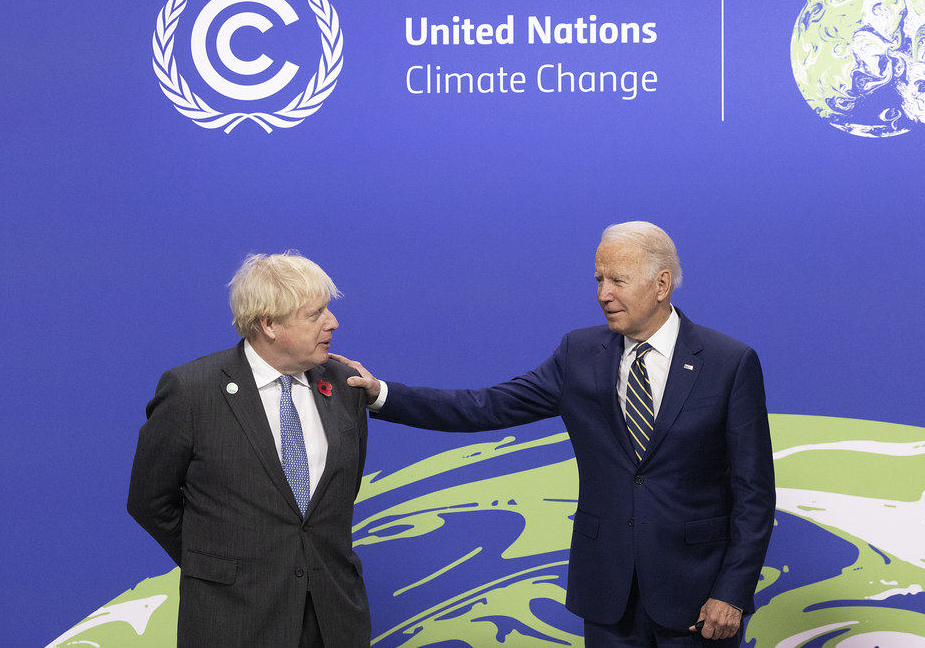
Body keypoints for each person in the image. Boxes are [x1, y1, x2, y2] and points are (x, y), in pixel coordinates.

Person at [332, 222, 775, 647]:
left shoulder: (727, 363)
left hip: (698, 597)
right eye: (599, 279)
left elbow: (754, 493)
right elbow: (485, 406)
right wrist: (380, 394)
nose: (603, 295)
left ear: (661, 285)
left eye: (618, 280)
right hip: (608, 594)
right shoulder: (579, 354)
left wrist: (732, 591)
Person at [127, 251, 371, 648]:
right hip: (232, 619)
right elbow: (150, 501)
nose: (333, 323)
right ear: (269, 324)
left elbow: (342, 491)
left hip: (334, 620)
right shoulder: (191, 391)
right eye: (316, 314)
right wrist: (222, 566)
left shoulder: (345, 386)